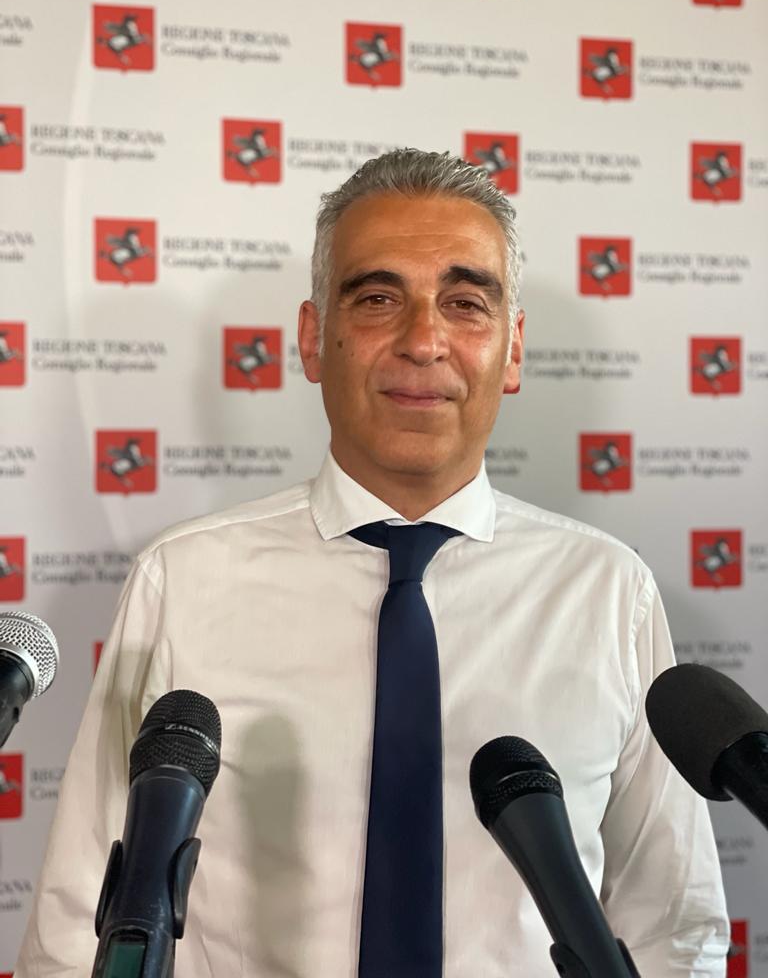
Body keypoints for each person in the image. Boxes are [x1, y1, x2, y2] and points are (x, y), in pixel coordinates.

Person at [16, 149, 728, 976]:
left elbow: (674, 929)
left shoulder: (608, 592)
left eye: (466, 303)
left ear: (513, 349)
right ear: (313, 339)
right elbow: (77, 928)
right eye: (379, 298)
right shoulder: (182, 580)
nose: (423, 341)